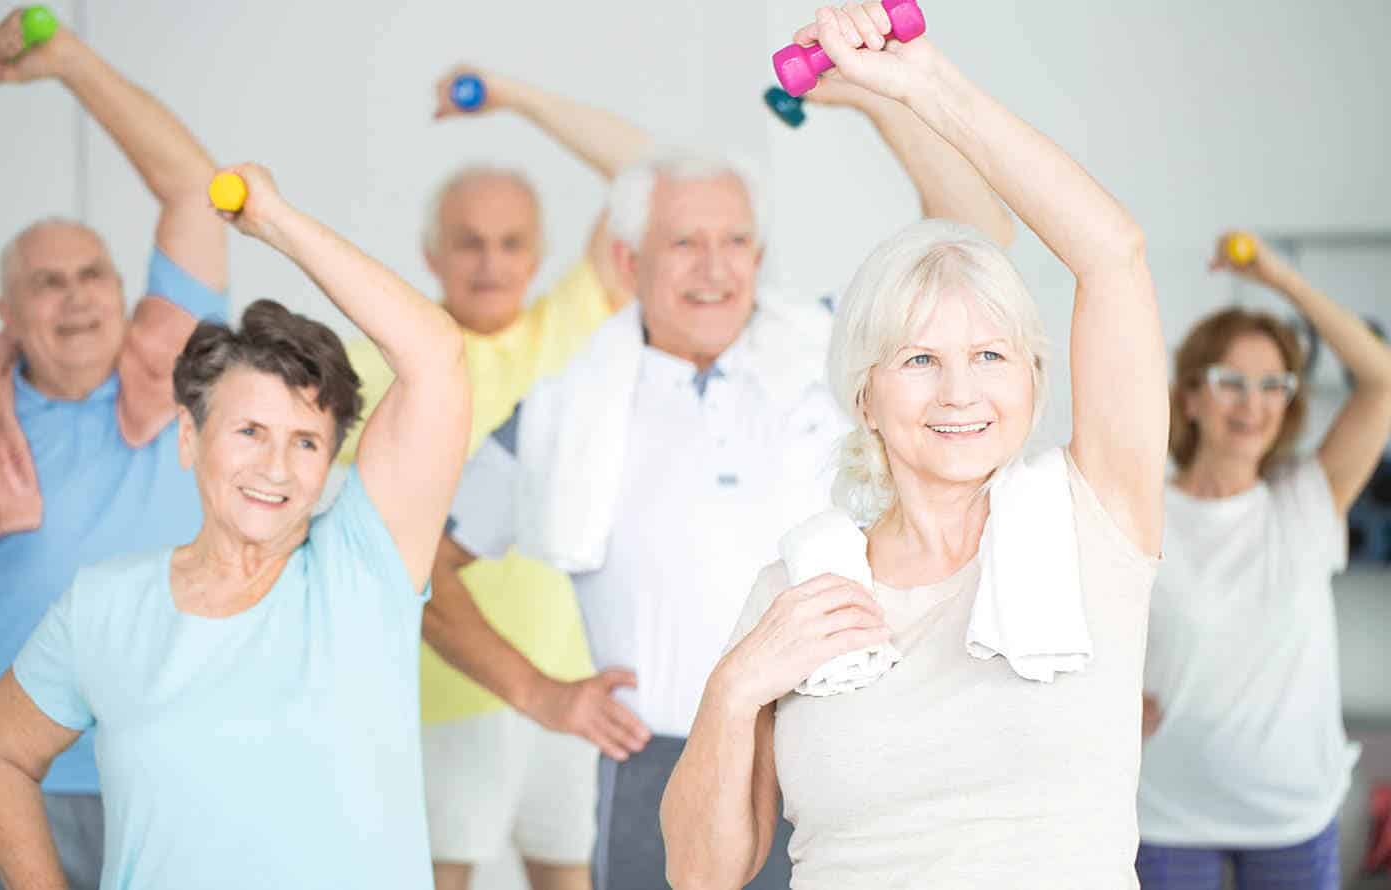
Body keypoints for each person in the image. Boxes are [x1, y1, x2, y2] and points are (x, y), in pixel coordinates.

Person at [420, 49, 1014, 890]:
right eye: (686, 243)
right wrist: (543, 694)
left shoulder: (830, 351)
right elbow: (425, 568)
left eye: (737, 241)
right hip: (659, 767)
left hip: (836, 751)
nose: (716, 267)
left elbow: (972, 244)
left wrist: (886, 106)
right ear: (629, 264)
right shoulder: (562, 410)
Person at [662, 5, 1167, 888]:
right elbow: (703, 876)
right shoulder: (799, 594)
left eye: (991, 357)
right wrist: (733, 690)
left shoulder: (1098, 524)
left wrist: (923, 84)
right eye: (922, 359)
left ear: (1034, 381)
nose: (961, 392)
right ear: (865, 392)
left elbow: (1113, 255)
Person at [0, 165, 471, 889]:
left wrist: (280, 225)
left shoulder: (365, 566)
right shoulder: (105, 605)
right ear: (189, 440)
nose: (276, 466)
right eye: (250, 430)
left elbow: (436, 357)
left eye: (306, 441)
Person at [337, 66, 641, 890]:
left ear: (539, 253)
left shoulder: (576, 330)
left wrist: (523, 96)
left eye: (511, 242)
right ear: (432, 252)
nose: (490, 261)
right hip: (441, 693)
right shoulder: (378, 368)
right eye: (469, 240)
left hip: (576, 687)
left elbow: (650, 177)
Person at [0, 10, 228, 887]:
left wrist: (69, 60)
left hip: (167, 766)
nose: (75, 299)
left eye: (92, 274)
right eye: (46, 282)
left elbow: (193, 186)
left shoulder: (182, 375)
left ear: (123, 289)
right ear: (5, 313)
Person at [1136, 233, 1391, 890]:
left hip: (1292, 818)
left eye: (1274, 384)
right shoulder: (1140, 509)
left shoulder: (1310, 499)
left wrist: (1286, 284)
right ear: (1189, 396)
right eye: (1232, 383)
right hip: (1168, 813)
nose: (1254, 403)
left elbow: (1381, 377)